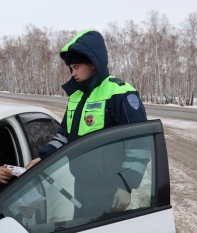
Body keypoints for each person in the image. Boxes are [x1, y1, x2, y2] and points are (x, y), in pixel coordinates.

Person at [25, 30, 150, 219]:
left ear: (93, 64)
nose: (72, 73)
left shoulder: (119, 92)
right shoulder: (77, 96)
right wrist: (43, 159)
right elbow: (63, 135)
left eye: (76, 67)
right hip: (81, 183)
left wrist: (125, 185)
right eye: (71, 68)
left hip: (109, 189)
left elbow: (139, 143)